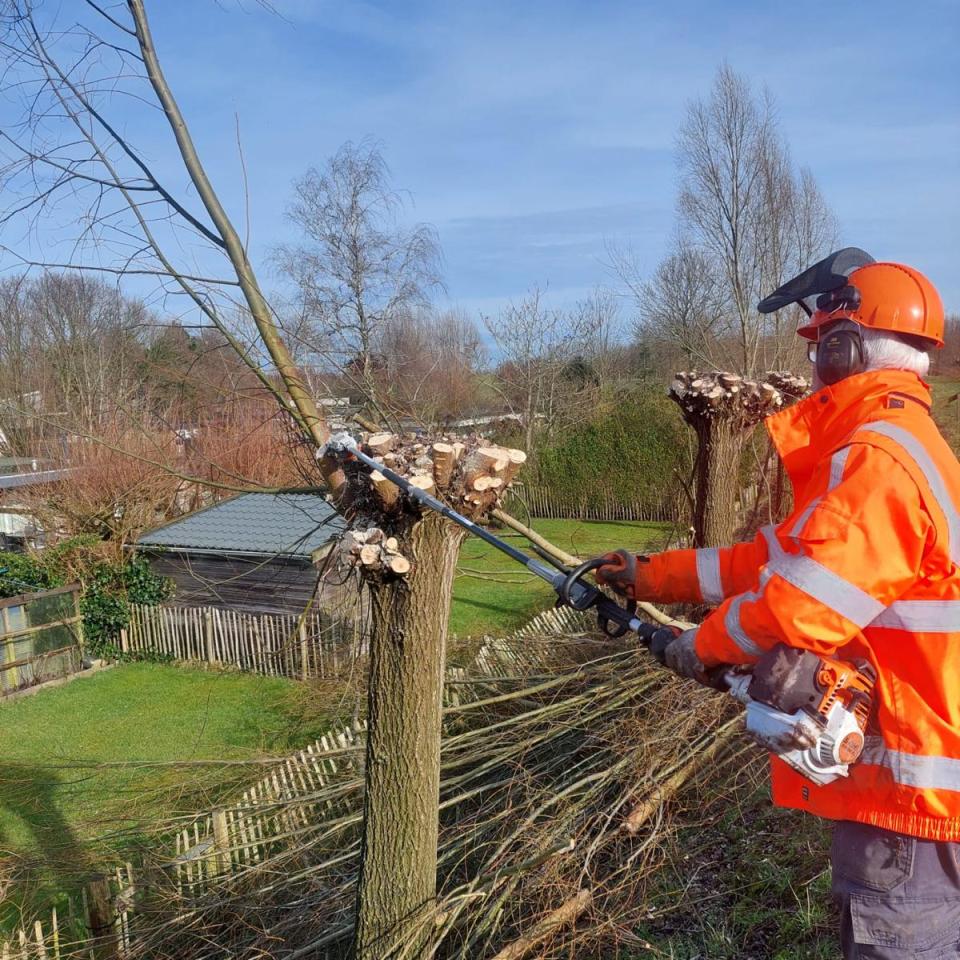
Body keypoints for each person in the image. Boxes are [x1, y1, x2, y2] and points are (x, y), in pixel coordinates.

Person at [596, 252, 960, 959]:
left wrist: (700, 647)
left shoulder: (879, 459)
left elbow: (797, 605)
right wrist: (653, 577)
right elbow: (772, 562)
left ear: (845, 347)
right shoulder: (905, 449)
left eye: (822, 344)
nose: (817, 362)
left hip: (913, 807)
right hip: (924, 791)